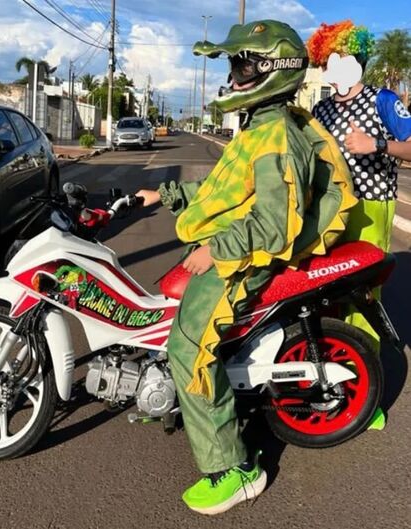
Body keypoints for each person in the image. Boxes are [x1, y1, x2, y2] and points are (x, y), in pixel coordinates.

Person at [136, 20, 356, 515]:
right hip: (232, 244)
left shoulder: (277, 135)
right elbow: (227, 194)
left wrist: (215, 251)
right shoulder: (259, 126)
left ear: (275, 70)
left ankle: (234, 471)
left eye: (245, 63)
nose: (235, 75)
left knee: (188, 347)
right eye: (234, 63)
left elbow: (274, 225)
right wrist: (164, 194)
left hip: (244, 257)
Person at [306, 21, 411, 429]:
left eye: (344, 60)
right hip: (331, 212)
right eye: (331, 61)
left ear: (359, 62)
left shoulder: (383, 100)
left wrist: (377, 145)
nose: (337, 68)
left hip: (370, 210)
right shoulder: (322, 109)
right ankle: (328, 381)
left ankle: (366, 398)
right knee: (323, 298)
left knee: (362, 300)